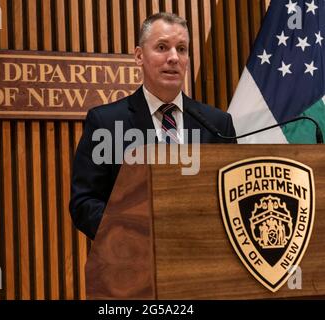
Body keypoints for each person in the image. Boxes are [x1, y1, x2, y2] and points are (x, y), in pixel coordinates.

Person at [69, 12, 236, 240]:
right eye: (162, 47)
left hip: (203, 261)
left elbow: (231, 196)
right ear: (139, 56)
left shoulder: (217, 124)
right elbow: (85, 202)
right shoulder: (106, 123)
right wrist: (132, 233)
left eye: (182, 49)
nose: (174, 57)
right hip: (132, 262)